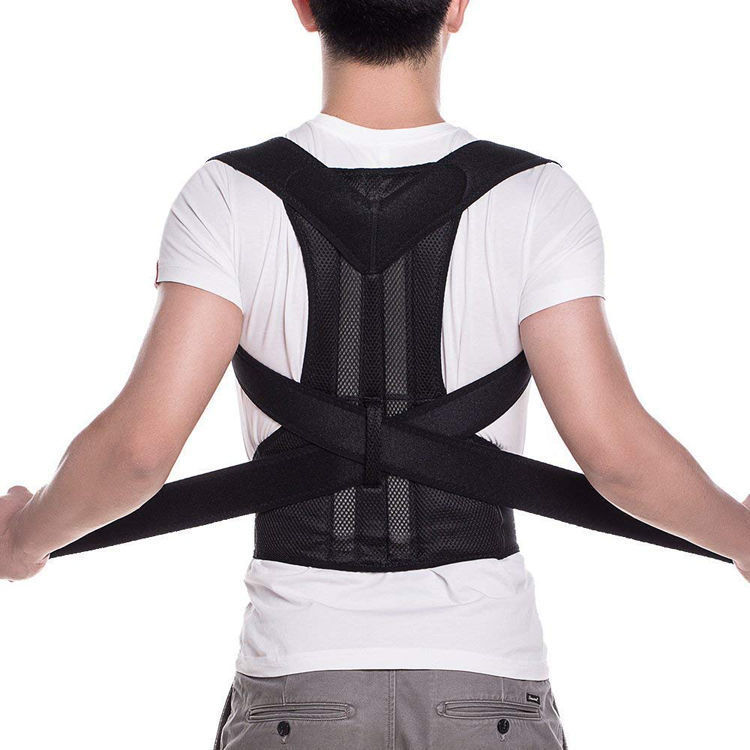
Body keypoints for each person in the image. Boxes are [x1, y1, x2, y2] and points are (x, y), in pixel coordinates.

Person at [1, 1, 749, 748]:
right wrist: (742, 537)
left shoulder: (228, 194)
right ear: (456, 8)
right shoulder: (535, 197)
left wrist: (24, 538)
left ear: (305, 8)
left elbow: (137, 451)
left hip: (299, 680)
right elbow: (619, 457)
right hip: (484, 679)